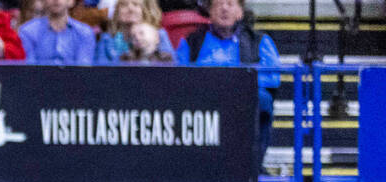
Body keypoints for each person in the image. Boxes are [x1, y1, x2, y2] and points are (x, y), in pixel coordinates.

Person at [176, 0, 279, 168]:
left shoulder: (259, 41)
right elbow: (178, 75)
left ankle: (253, 167)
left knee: (263, 99)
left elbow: (273, 78)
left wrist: (236, 84)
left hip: (242, 98)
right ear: (209, 11)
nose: (224, 8)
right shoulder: (192, 41)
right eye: (219, 4)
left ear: (240, 12)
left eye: (230, 4)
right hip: (202, 99)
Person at [18, 0, 94, 64]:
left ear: (71, 1)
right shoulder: (27, 31)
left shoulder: (84, 32)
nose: (56, 0)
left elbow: (84, 69)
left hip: (75, 80)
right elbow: (28, 68)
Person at [94, 0, 170, 63]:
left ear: (144, 10)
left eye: (136, 4)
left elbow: (171, 65)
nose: (130, 9)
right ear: (117, 12)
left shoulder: (160, 34)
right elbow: (100, 68)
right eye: (124, 5)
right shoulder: (107, 39)